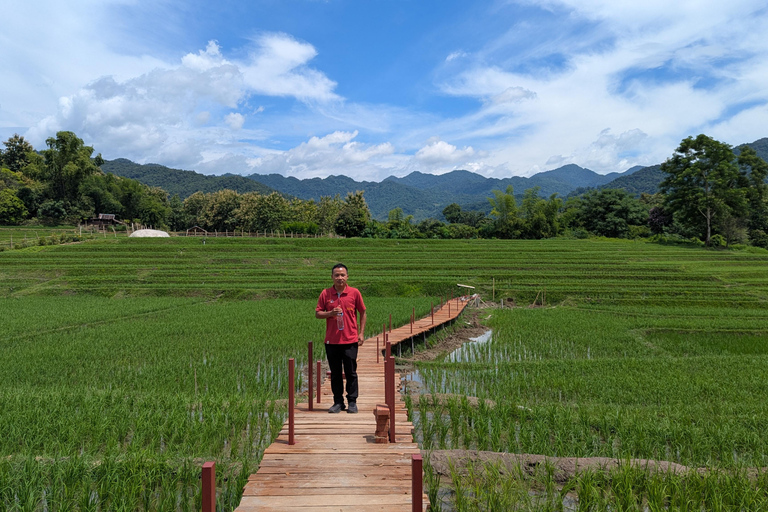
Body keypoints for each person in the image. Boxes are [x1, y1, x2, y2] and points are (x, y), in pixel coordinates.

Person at [315, 263, 367, 413]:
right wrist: (330, 313)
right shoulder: (325, 294)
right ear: (332, 277)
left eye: (342, 275)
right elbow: (318, 313)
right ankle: (338, 402)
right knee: (335, 373)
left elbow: (363, 312)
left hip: (350, 340)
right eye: (336, 275)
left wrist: (361, 333)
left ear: (347, 277)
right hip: (332, 341)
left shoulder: (354, 293)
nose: (340, 278)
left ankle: (352, 401)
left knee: (351, 372)